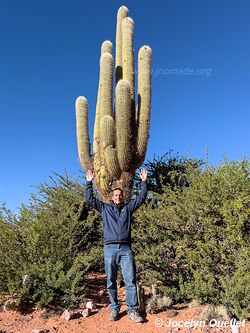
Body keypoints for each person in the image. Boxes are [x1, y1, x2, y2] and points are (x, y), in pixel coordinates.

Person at [85, 169, 148, 323]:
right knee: (111, 280)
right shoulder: (105, 208)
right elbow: (90, 200)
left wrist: (144, 182)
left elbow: (141, 198)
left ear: (123, 196)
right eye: (115, 195)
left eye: (120, 195)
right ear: (112, 198)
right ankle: (114, 308)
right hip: (110, 248)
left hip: (126, 248)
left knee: (130, 280)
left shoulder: (128, 208)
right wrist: (89, 183)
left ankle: (133, 310)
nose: (118, 197)